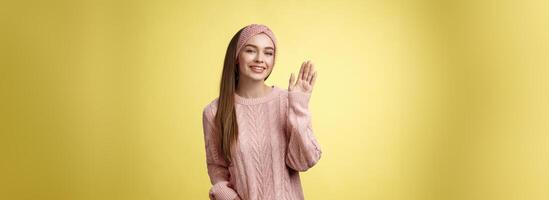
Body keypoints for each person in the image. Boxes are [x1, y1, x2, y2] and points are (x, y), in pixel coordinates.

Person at [202, 24, 321, 200]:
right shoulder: (214, 111)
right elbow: (217, 169)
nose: (260, 59)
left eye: (268, 52)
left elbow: (303, 161)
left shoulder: (286, 101)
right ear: (236, 56)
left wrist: (299, 107)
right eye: (251, 50)